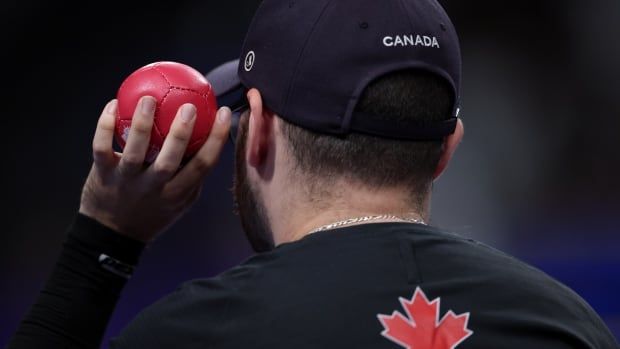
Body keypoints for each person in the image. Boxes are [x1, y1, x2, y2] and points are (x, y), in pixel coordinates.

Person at [7, 0, 618, 348]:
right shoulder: (566, 325)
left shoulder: (195, 334)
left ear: (260, 128)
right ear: (447, 147)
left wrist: (104, 238)